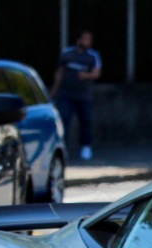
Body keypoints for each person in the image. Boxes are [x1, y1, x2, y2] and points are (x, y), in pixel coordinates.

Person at [51, 30, 102, 161]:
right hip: (66, 94)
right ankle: (62, 147)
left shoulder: (93, 56)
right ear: (78, 40)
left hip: (84, 95)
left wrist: (86, 75)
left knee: (85, 120)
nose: (87, 42)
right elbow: (60, 72)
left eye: (89, 39)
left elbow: (96, 73)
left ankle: (86, 146)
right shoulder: (67, 54)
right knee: (64, 119)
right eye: (85, 39)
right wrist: (54, 91)